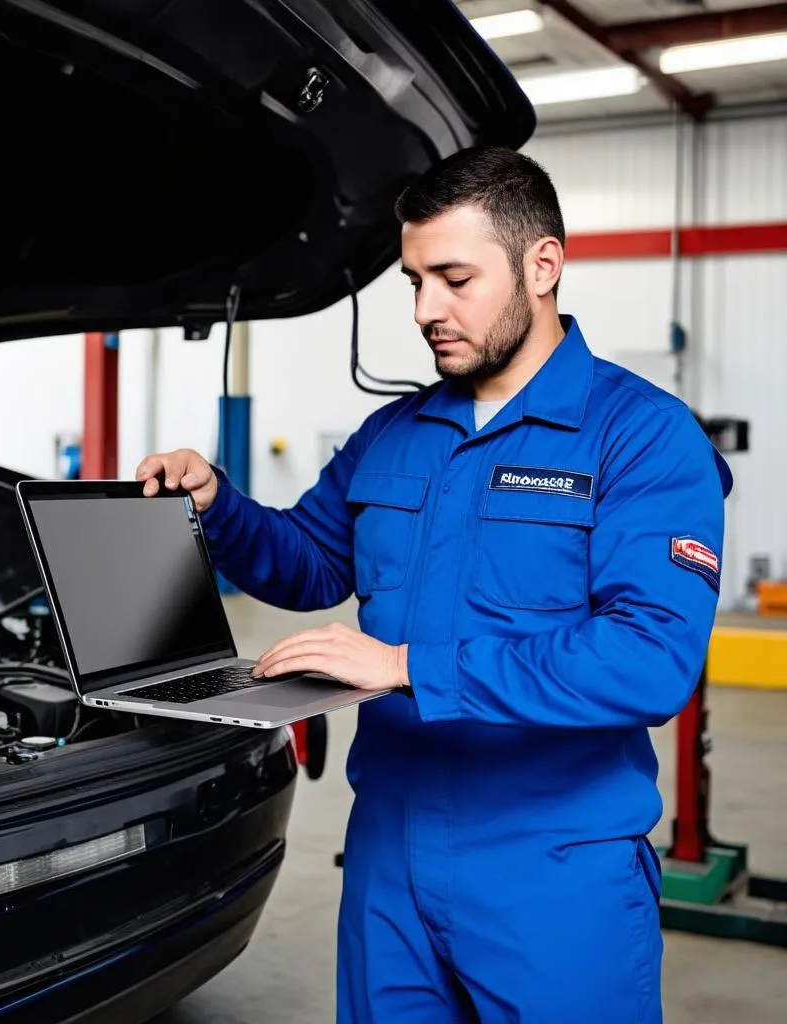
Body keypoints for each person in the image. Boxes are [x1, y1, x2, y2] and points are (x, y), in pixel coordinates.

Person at [136, 145, 732, 1024]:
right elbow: (308, 559)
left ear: (543, 265)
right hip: (389, 853)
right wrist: (217, 504)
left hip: (554, 864)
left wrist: (409, 665)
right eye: (413, 281)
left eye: (453, 278)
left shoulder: (642, 438)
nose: (425, 311)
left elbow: (649, 661)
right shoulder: (396, 433)